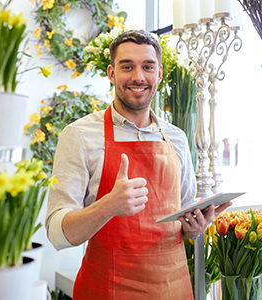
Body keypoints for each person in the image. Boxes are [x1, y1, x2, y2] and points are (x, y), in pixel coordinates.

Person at [45, 30, 232, 300]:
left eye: (147, 67)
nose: (138, 77)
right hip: (107, 289)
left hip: (173, 288)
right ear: (111, 73)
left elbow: (185, 214)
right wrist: (109, 205)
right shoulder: (79, 135)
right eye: (127, 66)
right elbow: (57, 233)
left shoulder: (176, 138)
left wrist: (195, 227)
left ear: (159, 73)